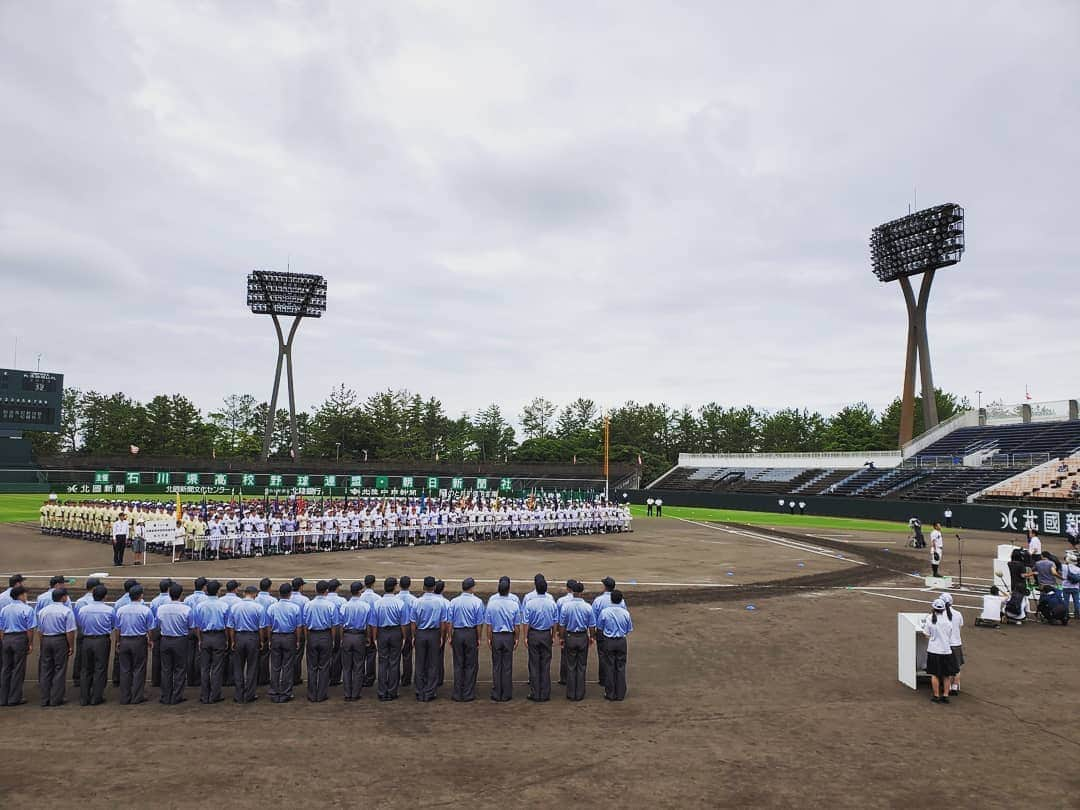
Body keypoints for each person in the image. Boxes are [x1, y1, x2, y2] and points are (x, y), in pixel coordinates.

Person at [76, 583, 115, 706]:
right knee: (100, 668)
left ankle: (84, 698)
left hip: (86, 640)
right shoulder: (109, 610)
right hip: (102, 640)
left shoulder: (83, 609)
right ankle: (96, 697)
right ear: (105, 596)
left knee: (85, 669)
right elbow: (113, 625)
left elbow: (80, 624)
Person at [115, 584, 155, 705]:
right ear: (140, 596)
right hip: (139, 641)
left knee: (125, 669)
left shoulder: (121, 610)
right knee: (139, 668)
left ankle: (125, 697)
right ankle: (137, 696)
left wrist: (118, 641)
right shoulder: (145, 610)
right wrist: (150, 640)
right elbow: (150, 629)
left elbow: (117, 629)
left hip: (125, 640)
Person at [228, 586, 268, 704]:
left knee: (238, 667)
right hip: (252, 637)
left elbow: (231, 626)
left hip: (239, 637)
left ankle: (238, 694)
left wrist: (233, 640)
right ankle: (249, 694)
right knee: (252, 667)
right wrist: (261, 641)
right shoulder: (259, 607)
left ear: (244, 593)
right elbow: (261, 628)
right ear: (255, 594)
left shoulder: (235, 607)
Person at [38, 588, 77, 707]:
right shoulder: (66, 611)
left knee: (46, 669)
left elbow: (40, 630)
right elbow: (69, 631)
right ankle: (56, 698)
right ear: (63, 597)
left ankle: (45, 699)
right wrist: (71, 646)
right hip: (60, 640)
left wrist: (42, 643)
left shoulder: (43, 611)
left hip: (46, 639)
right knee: (59, 669)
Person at [521, 575, 557, 702]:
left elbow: (525, 621)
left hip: (534, 634)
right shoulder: (551, 601)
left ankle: (536, 693)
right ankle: (545, 693)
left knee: (534, 664)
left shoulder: (529, 602)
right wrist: (553, 636)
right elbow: (554, 622)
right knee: (545, 664)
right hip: (546, 634)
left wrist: (525, 637)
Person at [485, 576, 521, 702]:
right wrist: (517, 638)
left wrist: (489, 638)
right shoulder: (514, 604)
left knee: (496, 665)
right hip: (508, 637)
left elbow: (489, 625)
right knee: (507, 665)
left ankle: (496, 692)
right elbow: (516, 626)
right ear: (508, 589)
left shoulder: (491, 603)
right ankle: (506, 693)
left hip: (496, 636)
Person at [449, 577, 485, 702]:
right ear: (472, 588)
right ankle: (468, 693)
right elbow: (479, 623)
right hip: (470, 633)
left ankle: (457, 693)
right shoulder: (477, 602)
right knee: (470, 664)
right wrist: (479, 638)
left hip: (457, 633)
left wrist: (450, 636)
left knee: (458, 664)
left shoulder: (454, 602)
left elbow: (450, 622)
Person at [303, 580, 340, 703]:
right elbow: (334, 625)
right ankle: (321, 694)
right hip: (325, 635)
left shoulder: (308, 604)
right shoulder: (330, 605)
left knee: (312, 667)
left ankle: (312, 694)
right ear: (327, 591)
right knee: (324, 667)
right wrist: (333, 639)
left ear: (316, 590)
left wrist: (308, 638)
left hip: (312, 635)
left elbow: (305, 623)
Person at [266, 582, 303, 704]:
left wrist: (270, 640)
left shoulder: (272, 607)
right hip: (289, 637)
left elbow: (269, 626)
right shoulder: (295, 608)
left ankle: (274, 691)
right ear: (290, 593)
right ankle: (286, 692)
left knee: (275, 666)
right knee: (287, 666)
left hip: (276, 637)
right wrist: (297, 640)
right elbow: (298, 627)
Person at [557, 581, 595, 701]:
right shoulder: (588, 607)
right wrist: (592, 637)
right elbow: (592, 625)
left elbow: (562, 625)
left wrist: (562, 638)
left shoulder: (566, 606)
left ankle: (571, 693)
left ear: (572, 591)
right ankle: (579, 693)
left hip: (570, 636)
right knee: (581, 666)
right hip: (582, 637)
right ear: (581, 592)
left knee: (571, 665)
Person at [193, 580, 229, 704]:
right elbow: (227, 625)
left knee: (204, 668)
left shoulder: (200, 606)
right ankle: (215, 695)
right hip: (218, 636)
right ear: (218, 591)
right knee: (217, 668)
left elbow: (197, 626)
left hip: (205, 637)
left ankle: (204, 695)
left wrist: (199, 639)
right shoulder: (223, 605)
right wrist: (227, 640)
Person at [374, 577, 409, 701]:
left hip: (382, 633)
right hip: (395, 633)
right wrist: (404, 637)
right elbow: (404, 623)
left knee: (383, 662)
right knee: (394, 662)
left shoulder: (377, 603)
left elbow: (374, 623)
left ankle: (382, 691)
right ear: (395, 587)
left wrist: (375, 638)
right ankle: (392, 691)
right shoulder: (400, 603)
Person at [0, 585, 36, 706]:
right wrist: (30, 643)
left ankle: (3, 697)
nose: (26, 596)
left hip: (6, 638)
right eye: (25, 594)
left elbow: (1, 628)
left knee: (6, 668)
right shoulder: (27, 609)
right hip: (19, 638)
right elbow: (30, 629)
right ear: (20, 595)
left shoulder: (5, 609)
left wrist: (3, 640)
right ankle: (14, 698)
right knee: (18, 668)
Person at [157, 582, 192, 705]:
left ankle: (166, 696)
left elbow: (158, 624)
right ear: (181, 594)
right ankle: (176, 696)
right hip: (180, 640)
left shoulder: (161, 608)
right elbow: (191, 625)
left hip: (165, 640)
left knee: (166, 669)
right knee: (180, 669)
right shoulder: (186, 609)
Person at [340, 581, 376, 701]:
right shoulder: (365, 606)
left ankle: (347, 693)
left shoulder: (344, 606)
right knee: (358, 665)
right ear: (360, 591)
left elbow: (340, 625)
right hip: (360, 636)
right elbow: (368, 625)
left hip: (347, 636)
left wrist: (341, 638)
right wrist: (368, 638)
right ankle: (355, 693)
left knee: (346, 667)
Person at [410, 576, 443, 702]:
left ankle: (419, 691)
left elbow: (413, 622)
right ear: (434, 587)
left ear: (423, 587)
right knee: (433, 664)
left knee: (420, 663)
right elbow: (443, 621)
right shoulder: (439, 602)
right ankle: (430, 692)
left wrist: (414, 636)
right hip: (434, 633)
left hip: (421, 633)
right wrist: (441, 636)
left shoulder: (417, 602)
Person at [598, 589, 633, 701]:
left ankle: (610, 693)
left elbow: (600, 627)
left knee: (609, 666)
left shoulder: (605, 612)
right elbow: (628, 629)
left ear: (611, 599)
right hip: (621, 641)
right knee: (621, 667)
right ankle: (620, 694)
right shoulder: (626, 613)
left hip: (609, 641)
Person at [920, 598, 957, 703]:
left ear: (933, 608)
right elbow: (949, 634)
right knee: (946, 675)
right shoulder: (948, 620)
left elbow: (926, 633)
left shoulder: (930, 619)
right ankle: (945, 695)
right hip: (946, 650)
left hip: (934, 650)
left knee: (934, 674)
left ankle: (936, 695)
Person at [592, 577, 618, 686]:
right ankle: (614, 679)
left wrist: (593, 635)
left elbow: (593, 619)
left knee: (602, 655)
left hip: (602, 632)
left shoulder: (598, 600)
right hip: (616, 632)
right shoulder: (620, 600)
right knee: (616, 657)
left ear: (605, 587)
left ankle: (603, 680)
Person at [149, 579, 172, 688]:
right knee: (167, 656)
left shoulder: (154, 600)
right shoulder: (170, 600)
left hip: (156, 628)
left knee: (156, 655)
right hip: (167, 628)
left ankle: (155, 680)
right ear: (168, 588)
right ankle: (166, 680)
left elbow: (153, 616)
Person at [940, 593, 963, 696]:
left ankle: (947, 687)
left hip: (946, 644)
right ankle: (954, 687)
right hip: (957, 643)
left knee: (946, 668)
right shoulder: (958, 614)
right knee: (957, 667)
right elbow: (960, 626)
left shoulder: (940, 614)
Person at [359, 574, 380, 688]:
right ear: (373, 583)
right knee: (371, 653)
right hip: (373, 629)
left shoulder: (360, 597)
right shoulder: (377, 598)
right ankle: (370, 678)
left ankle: (360, 677)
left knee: (360, 655)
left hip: (361, 629)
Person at [255, 578, 276, 686]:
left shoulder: (255, 598)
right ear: (269, 587)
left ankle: (257, 677)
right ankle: (264, 678)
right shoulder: (273, 601)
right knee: (265, 655)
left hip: (255, 631)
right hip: (267, 630)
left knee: (255, 656)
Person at [288, 577, 309, 686]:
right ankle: (295, 677)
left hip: (288, 631)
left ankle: (288, 677)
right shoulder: (305, 600)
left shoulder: (287, 597)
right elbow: (306, 618)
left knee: (288, 656)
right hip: (300, 631)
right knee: (298, 655)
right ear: (300, 587)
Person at [397, 575, 417, 688]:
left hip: (396, 627)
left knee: (394, 655)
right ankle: (406, 679)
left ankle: (394, 678)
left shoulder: (395, 598)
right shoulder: (414, 600)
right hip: (409, 627)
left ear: (399, 585)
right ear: (409, 585)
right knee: (407, 654)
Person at [556, 580, 576, 685]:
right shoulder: (581, 602)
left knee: (565, 655)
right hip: (578, 632)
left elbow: (559, 620)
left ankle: (564, 678)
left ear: (567, 588)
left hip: (566, 631)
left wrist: (559, 634)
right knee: (577, 658)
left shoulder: (561, 601)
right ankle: (575, 678)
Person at [1061, 551, 1080, 619]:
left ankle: (1066, 614)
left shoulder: (1064, 567)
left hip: (1066, 586)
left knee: (1066, 601)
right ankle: (1077, 614)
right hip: (1076, 587)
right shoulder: (1078, 569)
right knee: (1076, 602)